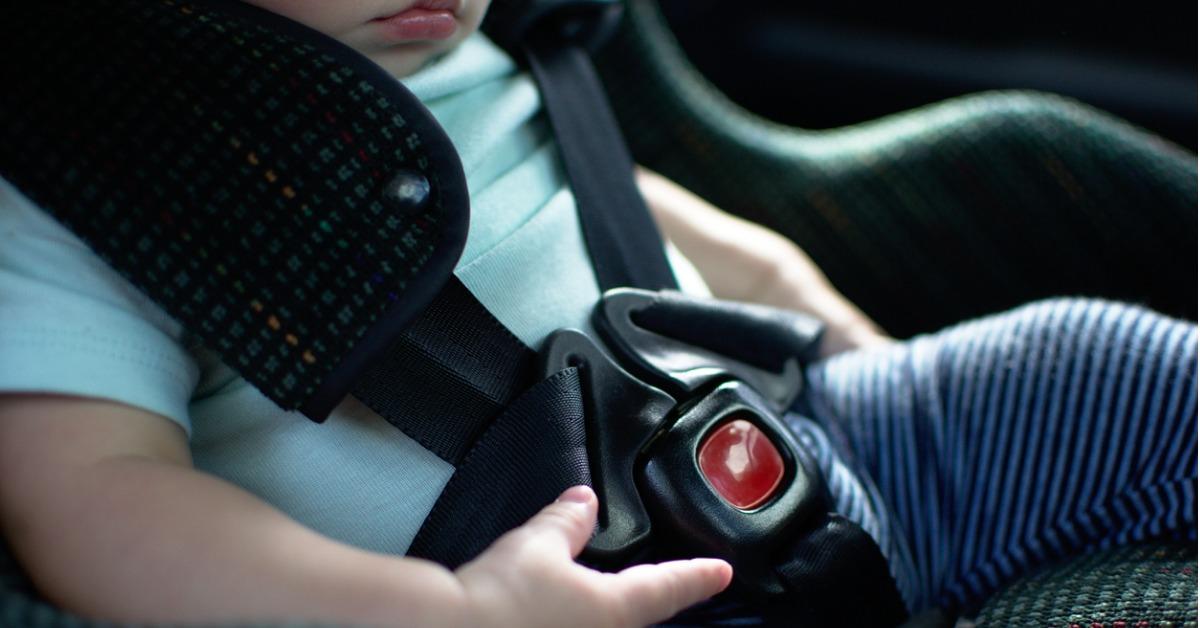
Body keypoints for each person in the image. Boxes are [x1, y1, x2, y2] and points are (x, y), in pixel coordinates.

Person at [0, 1, 1193, 627]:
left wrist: (861, 353)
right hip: (557, 598)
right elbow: (92, 502)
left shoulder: (470, 55)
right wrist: (439, 616)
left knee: (1111, 366)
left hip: (806, 440)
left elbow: (651, 207)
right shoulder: (92, 183)